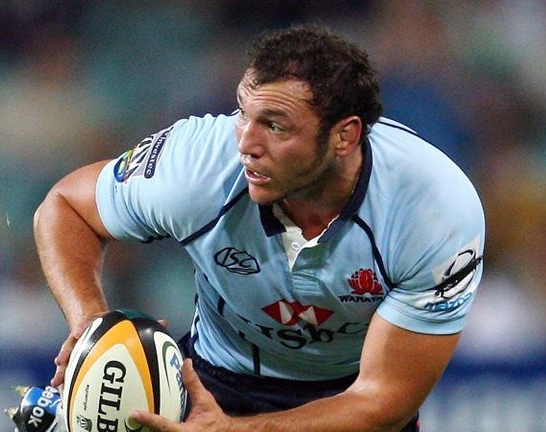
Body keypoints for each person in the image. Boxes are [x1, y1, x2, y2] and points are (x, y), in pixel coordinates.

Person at [33, 25, 485, 432]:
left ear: (344, 136)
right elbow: (66, 207)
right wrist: (90, 325)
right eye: (243, 113)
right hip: (211, 385)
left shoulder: (434, 213)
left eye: (275, 126)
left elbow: (382, 403)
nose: (247, 143)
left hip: (349, 401)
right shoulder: (197, 165)